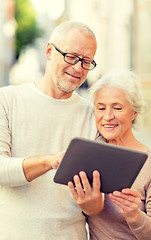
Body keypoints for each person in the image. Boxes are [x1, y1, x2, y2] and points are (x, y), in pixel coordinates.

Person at [0, 21, 100, 240]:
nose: (78, 68)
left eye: (86, 61)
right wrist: (50, 161)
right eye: (71, 57)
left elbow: (96, 203)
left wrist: (93, 203)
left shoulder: (93, 115)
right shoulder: (7, 100)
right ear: (48, 51)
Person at [68, 70, 151, 239]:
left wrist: (135, 215)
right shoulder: (89, 154)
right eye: (101, 108)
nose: (108, 117)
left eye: (117, 108)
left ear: (134, 113)